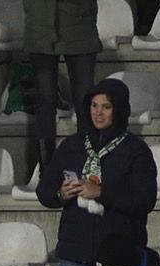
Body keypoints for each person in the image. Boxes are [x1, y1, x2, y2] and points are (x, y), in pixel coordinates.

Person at [37, 78, 158, 266]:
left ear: (119, 110)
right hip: (76, 252)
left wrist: (101, 193)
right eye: (94, 106)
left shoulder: (136, 150)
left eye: (106, 107)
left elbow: (144, 200)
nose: (98, 113)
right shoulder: (72, 145)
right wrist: (61, 194)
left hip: (119, 257)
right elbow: (44, 190)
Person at [24, 0, 101, 172]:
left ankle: (89, 166)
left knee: (85, 102)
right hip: (40, 23)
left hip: (79, 23)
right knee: (45, 101)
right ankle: (47, 169)